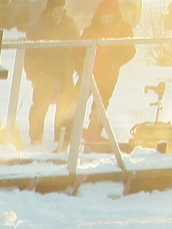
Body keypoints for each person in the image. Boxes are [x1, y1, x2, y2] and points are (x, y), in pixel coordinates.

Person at [82, 0, 136, 147]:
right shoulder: (91, 29)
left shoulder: (124, 30)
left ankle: (93, 135)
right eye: (104, 18)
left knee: (99, 107)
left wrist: (116, 61)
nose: (106, 21)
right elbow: (78, 51)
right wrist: (81, 66)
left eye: (109, 18)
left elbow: (130, 50)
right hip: (88, 73)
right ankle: (67, 133)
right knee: (75, 103)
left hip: (109, 75)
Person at [27, 0, 80, 147]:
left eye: (62, 9)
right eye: (57, 9)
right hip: (45, 73)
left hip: (65, 72)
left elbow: (78, 47)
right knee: (40, 106)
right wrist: (34, 74)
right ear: (50, 9)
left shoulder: (69, 24)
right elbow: (30, 52)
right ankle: (35, 139)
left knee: (65, 108)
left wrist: (78, 66)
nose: (60, 12)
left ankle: (62, 139)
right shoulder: (40, 26)